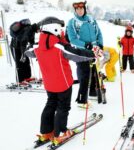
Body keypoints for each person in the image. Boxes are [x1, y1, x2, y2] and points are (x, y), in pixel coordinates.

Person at [25, 17, 95, 146]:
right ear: (54, 28)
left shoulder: (38, 46)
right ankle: (60, 133)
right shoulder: (59, 47)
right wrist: (92, 54)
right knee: (63, 107)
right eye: (60, 29)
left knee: (51, 104)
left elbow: (28, 52)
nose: (61, 32)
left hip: (49, 84)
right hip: (63, 84)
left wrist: (32, 45)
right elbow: (77, 54)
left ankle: (46, 132)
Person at [67, 0, 103, 106]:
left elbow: (99, 32)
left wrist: (100, 44)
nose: (79, 10)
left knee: (93, 71)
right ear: (75, 9)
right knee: (84, 74)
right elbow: (72, 39)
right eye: (77, 8)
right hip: (81, 51)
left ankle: (92, 92)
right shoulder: (72, 22)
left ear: (84, 8)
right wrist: (85, 45)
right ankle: (81, 100)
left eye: (81, 8)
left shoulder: (91, 19)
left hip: (93, 49)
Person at [9, 19, 38, 85]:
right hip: (15, 46)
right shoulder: (27, 30)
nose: (39, 31)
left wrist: (34, 51)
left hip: (22, 47)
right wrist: (23, 54)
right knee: (19, 62)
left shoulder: (32, 31)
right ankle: (20, 80)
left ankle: (27, 77)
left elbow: (32, 42)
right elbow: (23, 43)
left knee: (26, 61)